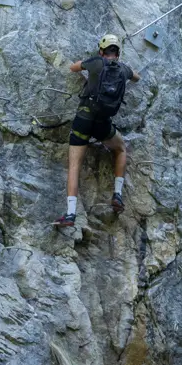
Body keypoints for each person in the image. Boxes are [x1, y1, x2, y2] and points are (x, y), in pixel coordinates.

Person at [54, 34, 141, 227]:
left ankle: (70, 214)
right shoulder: (124, 69)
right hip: (102, 124)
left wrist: (89, 66)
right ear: (118, 53)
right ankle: (117, 194)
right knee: (120, 149)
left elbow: (73, 67)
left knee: (75, 165)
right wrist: (124, 70)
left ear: (101, 51)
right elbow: (137, 77)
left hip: (83, 119)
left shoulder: (96, 62)